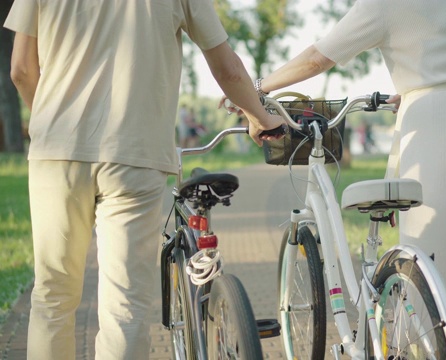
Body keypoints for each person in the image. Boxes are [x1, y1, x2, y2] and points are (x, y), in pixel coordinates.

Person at [4, 1, 283, 359]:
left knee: (52, 297)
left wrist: (51, 126)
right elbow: (226, 68)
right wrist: (258, 116)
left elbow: (21, 70)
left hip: (57, 153)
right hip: (135, 154)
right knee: (125, 307)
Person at [257, 1, 446, 359]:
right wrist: (424, 75)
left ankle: (423, 347)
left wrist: (258, 87)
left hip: (441, 123)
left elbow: (319, 57)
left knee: (426, 254)